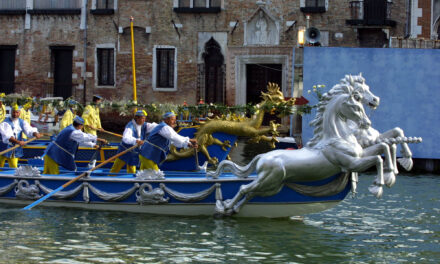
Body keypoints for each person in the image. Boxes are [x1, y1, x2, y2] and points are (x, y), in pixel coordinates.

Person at [43, 116, 108, 175]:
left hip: (53, 153)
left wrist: (93, 145)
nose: (82, 127)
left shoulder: (73, 130)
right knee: (54, 174)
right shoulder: (73, 131)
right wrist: (98, 138)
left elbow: (80, 141)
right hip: (54, 154)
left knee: (47, 173)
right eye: (82, 126)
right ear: (80, 125)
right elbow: (84, 137)